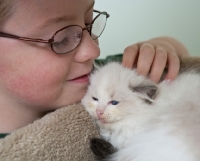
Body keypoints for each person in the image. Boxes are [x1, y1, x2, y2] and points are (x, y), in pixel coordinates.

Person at [0, 0, 189, 137]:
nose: (93, 50)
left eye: (89, 25)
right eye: (61, 39)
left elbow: (178, 54)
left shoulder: (99, 79)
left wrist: (158, 48)